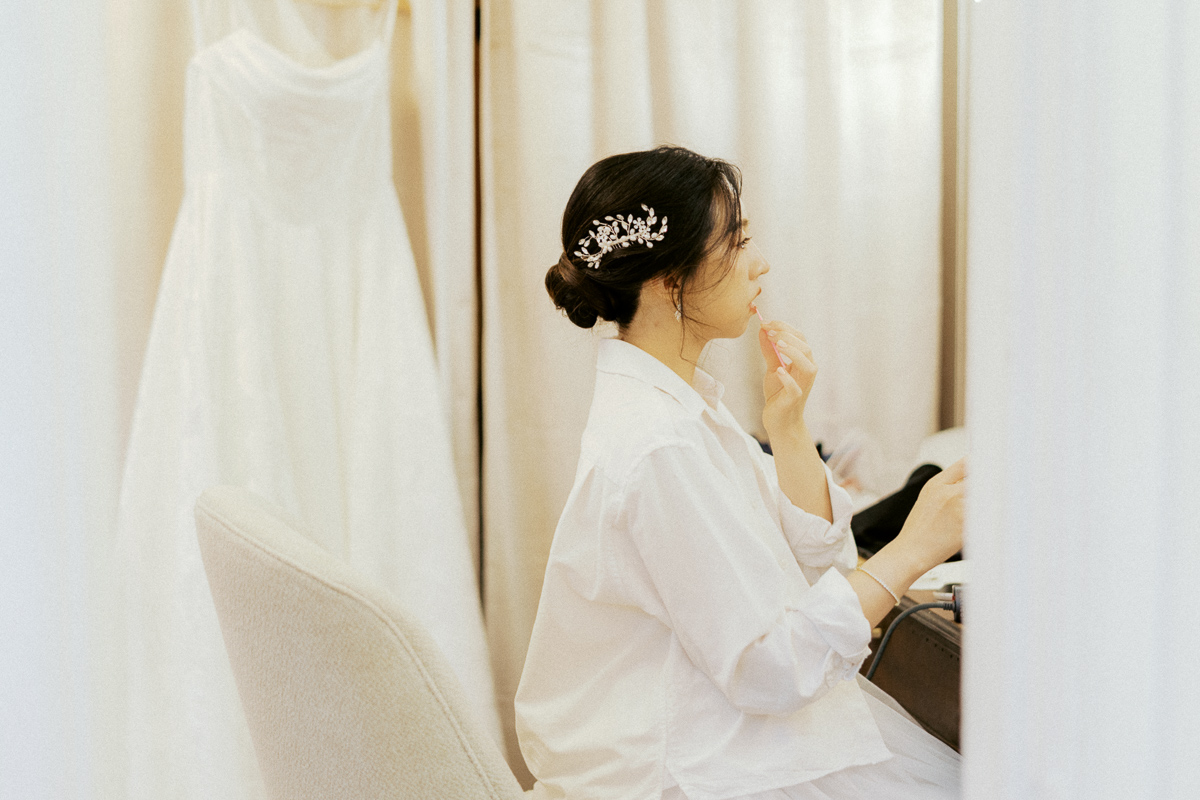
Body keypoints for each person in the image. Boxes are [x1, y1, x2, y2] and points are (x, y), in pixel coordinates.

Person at [515, 145, 965, 800]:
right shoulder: (658, 445)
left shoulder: (679, 406)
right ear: (669, 281)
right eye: (738, 243)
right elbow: (769, 668)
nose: (760, 263)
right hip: (691, 769)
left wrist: (789, 427)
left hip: (722, 739)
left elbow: (819, 567)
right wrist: (914, 548)